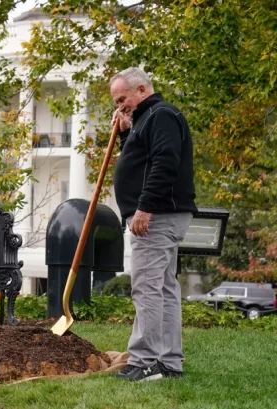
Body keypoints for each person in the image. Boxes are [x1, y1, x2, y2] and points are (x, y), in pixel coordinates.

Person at [110, 67, 197, 381]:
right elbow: (141, 161)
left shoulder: (159, 114)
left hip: (156, 216)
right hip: (163, 214)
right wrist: (124, 133)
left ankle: (145, 362)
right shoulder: (147, 119)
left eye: (123, 99)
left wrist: (144, 209)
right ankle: (169, 363)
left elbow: (164, 161)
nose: (120, 105)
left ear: (142, 89)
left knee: (147, 287)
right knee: (163, 288)